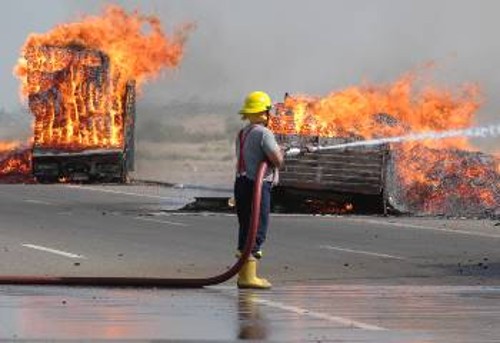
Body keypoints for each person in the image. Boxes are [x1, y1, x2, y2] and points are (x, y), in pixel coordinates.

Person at [234, 91, 283, 289]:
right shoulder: (264, 133)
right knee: (258, 228)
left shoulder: (242, 133)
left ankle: (243, 275)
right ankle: (248, 277)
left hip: (241, 184)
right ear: (264, 113)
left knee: (246, 227)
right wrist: (281, 155)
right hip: (258, 186)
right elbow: (276, 160)